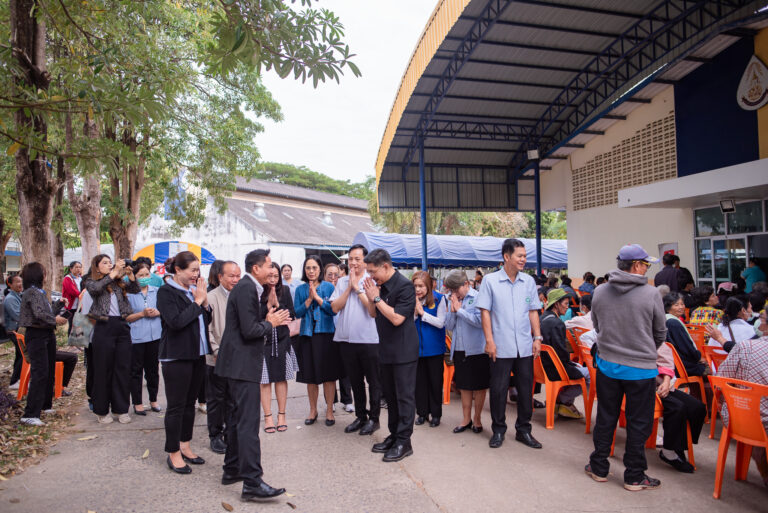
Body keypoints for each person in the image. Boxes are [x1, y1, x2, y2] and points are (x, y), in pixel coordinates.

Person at [585, 244, 666, 491]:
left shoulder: (600, 291)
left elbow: (597, 325)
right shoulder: (651, 294)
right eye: (646, 264)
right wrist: (643, 348)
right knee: (638, 422)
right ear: (636, 266)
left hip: (608, 365)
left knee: (607, 416)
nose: (647, 269)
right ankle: (634, 475)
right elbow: (660, 332)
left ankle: (599, 467)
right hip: (640, 370)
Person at [215, 249, 289, 501]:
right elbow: (249, 330)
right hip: (241, 365)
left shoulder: (251, 288)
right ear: (256, 269)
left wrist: (266, 309)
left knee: (237, 420)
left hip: (236, 364)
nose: (272, 270)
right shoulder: (247, 288)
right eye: (268, 265)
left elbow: (246, 323)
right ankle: (252, 482)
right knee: (247, 423)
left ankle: (232, 469)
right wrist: (271, 323)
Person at [476, 238, 543, 450]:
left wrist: (537, 338)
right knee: (498, 389)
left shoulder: (529, 282)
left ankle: (524, 430)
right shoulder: (490, 281)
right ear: (507, 257)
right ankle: (498, 430)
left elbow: (533, 311)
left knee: (525, 391)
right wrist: (489, 341)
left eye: (524, 256)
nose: (524, 259)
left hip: (524, 345)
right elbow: (484, 312)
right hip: (500, 345)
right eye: (520, 256)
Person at [156, 251, 211, 475]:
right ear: (178, 270)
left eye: (198, 270)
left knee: (190, 404)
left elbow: (204, 320)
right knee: (177, 406)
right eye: (192, 270)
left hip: (197, 354)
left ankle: (185, 445)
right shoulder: (166, 292)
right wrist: (197, 301)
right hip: (177, 356)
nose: (196, 275)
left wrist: (204, 302)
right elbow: (176, 322)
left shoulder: (192, 292)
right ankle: (173, 452)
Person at [363, 248, 418, 462]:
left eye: (372, 271)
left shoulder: (405, 286)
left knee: (404, 398)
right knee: (391, 398)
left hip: (404, 352)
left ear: (386, 266)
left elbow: (396, 319)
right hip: (385, 349)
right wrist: (371, 297)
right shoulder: (380, 286)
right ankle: (394, 435)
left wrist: (376, 298)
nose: (370, 275)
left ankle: (405, 441)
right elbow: (371, 313)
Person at [330, 244, 381, 436]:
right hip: (346, 340)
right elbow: (335, 307)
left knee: (374, 381)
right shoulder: (342, 281)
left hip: (369, 340)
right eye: (350, 259)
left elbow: (372, 310)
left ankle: (374, 419)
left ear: (366, 262)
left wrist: (358, 289)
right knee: (355, 381)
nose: (353, 263)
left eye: (357, 259)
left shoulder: (372, 281)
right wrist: (348, 288)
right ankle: (361, 416)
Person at [710, 330, 768, 487]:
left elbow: (721, 381)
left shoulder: (745, 347)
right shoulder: (745, 339)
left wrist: (721, 401)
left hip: (740, 419)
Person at [86, 254, 140, 424]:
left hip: (122, 327)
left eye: (111, 262)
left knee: (122, 369)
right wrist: (114, 272)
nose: (109, 265)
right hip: (103, 327)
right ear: (96, 267)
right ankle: (101, 410)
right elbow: (95, 290)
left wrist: (130, 276)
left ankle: (121, 409)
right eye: (105, 263)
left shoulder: (118, 282)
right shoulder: (90, 281)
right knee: (103, 370)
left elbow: (135, 290)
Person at [18, 263, 69, 426]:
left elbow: (46, 313)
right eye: (44, 272)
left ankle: (46, 405)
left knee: (48, 371)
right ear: (37, 275)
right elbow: (39, 315)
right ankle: (30, 413)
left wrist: (59, 305)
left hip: (47, 334)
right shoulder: (32, 292)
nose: (46, 275)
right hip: (37, 335)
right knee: (40, 372)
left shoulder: (40, 292)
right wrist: (55, 319)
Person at [293, 255, 341, 426]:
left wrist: (318, 299)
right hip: (307, 336)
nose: (311, 271)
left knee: (329, 376)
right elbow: (296, 313)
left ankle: (329, 410)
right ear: (304, 270)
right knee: (310, 377)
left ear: (320, 269)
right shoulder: (299, 289)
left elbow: (333, 310)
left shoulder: (328, 287)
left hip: (327, 335)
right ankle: (312, 410)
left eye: (314, 268)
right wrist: (308, 300)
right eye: (308, 268)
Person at [443, 270, 488, 434]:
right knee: (464, 386)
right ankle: (466, 418)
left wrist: (460, 310)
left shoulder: (478, 297)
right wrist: (453, 311)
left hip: (477, 349)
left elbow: (479, 321)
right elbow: (448, 325)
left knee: (479, 386)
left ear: (466, 284)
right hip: (460, 349)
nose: (454, 293)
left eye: (456, 289)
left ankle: (477, 419)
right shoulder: (453, 300)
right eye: (451, 290)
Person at [655, 342, 707, 473]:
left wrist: (666, 381)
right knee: (677, 408)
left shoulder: (655, 336)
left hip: (663, 382)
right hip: (642, 384)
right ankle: (668, 451)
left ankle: (678, 444)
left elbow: (665, 361)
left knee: (698, 407)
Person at [206, 260, 240, 454]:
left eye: (237, 276)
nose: (235, 280)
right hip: (216, 358)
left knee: (232, 398)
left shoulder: (240, 296)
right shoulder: (211, 298)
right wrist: (216, 350)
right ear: (221, 277)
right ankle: (215, 434)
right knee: (216, 399)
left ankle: (230, 431)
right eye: (231, 276)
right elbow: (207, 329)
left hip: (236, 359)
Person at [260, 263, 298, 434]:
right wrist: (268, 307)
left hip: (282, 338)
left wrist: (277, 306)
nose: (273, 279)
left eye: (276, 276)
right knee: (265, 380)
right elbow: (253, 316)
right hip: (263, 341)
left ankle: (281, 415)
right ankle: (268, 417)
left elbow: (291, 313)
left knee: (281, 378)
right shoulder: (257, 291)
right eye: (270, 276)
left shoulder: (286, 291)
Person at [540, 288, 589, 419]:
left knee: (580, 369)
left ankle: (562, 403)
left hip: (541, 367)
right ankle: (562, 401)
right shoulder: (557, 323)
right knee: (590, 374)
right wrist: (572, 365)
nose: (567, 308)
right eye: (566, 304)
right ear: (556, 304)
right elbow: (562, 353)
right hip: (555, 368)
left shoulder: (542, 318)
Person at [125, 262, 162, 416]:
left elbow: (165, 310)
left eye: (147, 274)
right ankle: (138, 403)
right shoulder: (129, 295)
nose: (145, 278)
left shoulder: (157, 291)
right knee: (136, 372)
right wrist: (142, 314)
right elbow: (126, 317)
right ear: (134, 277)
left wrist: (158, 312)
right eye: (141, 275)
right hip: (137, 338)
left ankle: (153, 400)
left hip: (155, 336)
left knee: (153, 371)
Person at [412, 271, 446, 427]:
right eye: (415, 286)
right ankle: (422, 413)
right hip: (416, 350)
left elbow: (440, 322)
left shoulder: (439, 299)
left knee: (435, 382)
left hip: (435, 350)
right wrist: (414, 312)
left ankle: (436, 414)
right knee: (420, 383)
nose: (418, 289)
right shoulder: (411, 300)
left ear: (428, 286)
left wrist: (422, 313)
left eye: (421, 286)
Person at [324, 262, 353, 412]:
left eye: (337, 274)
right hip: (327, 333)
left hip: (343, 333)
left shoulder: (344, 288)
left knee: (345, 368)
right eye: (330, 275)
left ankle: (347, 400)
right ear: (324, 276)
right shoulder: (322, 290)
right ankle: (331, 401)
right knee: (328, 369)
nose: (333, 277)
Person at [663, 293, 707, 377]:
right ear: (668, 307)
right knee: (711, 369)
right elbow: (687, 348)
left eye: (682, 304)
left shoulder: (665, 319)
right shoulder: (673, 323)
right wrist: (699, 357)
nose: (681, 307)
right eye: (676, 305)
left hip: (673, 363)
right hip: (684, 366)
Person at [4, 275, 24, 390]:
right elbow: (17, 316)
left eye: (21, 281)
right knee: (23, 355)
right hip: (14, 331)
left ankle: (18, 379)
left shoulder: (18, 296)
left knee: (20, 354)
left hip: (18, 329)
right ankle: (14, 381)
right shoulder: (11, 298)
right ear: (10, 284)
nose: (20, 284)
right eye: (17, 282)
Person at [61, 261, 82, 332]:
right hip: (71, 306)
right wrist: (82, 295)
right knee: (72, 324)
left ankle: (78, 340)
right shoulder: (67, 278)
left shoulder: (81, 278)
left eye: (79, 267)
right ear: (71, 269)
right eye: (76, 267)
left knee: (79, 324)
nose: (78, 269)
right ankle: (71, 341)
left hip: (79, 305)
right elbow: (72, 291)